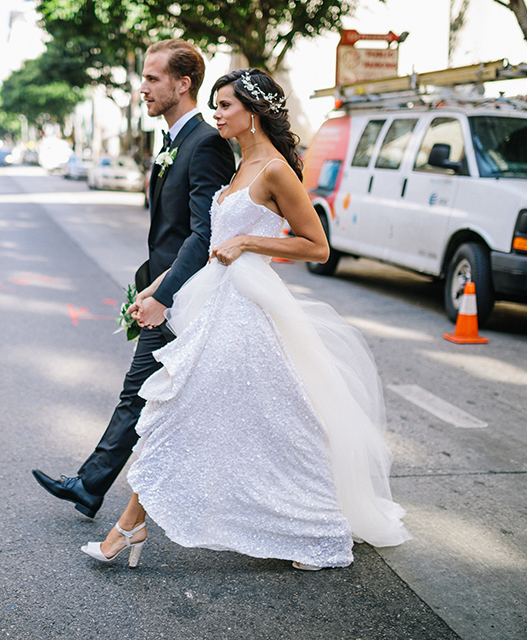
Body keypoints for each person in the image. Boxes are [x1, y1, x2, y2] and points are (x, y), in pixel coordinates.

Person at [80, 69, 411, 571]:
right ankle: (134, 523)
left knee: (216, 416)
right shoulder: (239, 167)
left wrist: (251, 241)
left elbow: (317, 246)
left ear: (252, 112)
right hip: (216, 304)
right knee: (200, 416)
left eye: (225, 106)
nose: (217, 115)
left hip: (249, 311)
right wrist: (154, 289)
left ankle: (314, 525)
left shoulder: (276, 169)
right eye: (214, 106)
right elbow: (212, 244)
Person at [32, 40, 236, 518]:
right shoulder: (172, 142)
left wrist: (161, 295)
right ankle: (94, 485)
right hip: (167, 289)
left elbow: (204, 233)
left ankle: (98, 488)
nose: (140, 87)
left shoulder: (205, 144)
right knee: (156, 398)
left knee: (148, 396)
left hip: (186, 296)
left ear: (183, 84)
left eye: (151, 78)